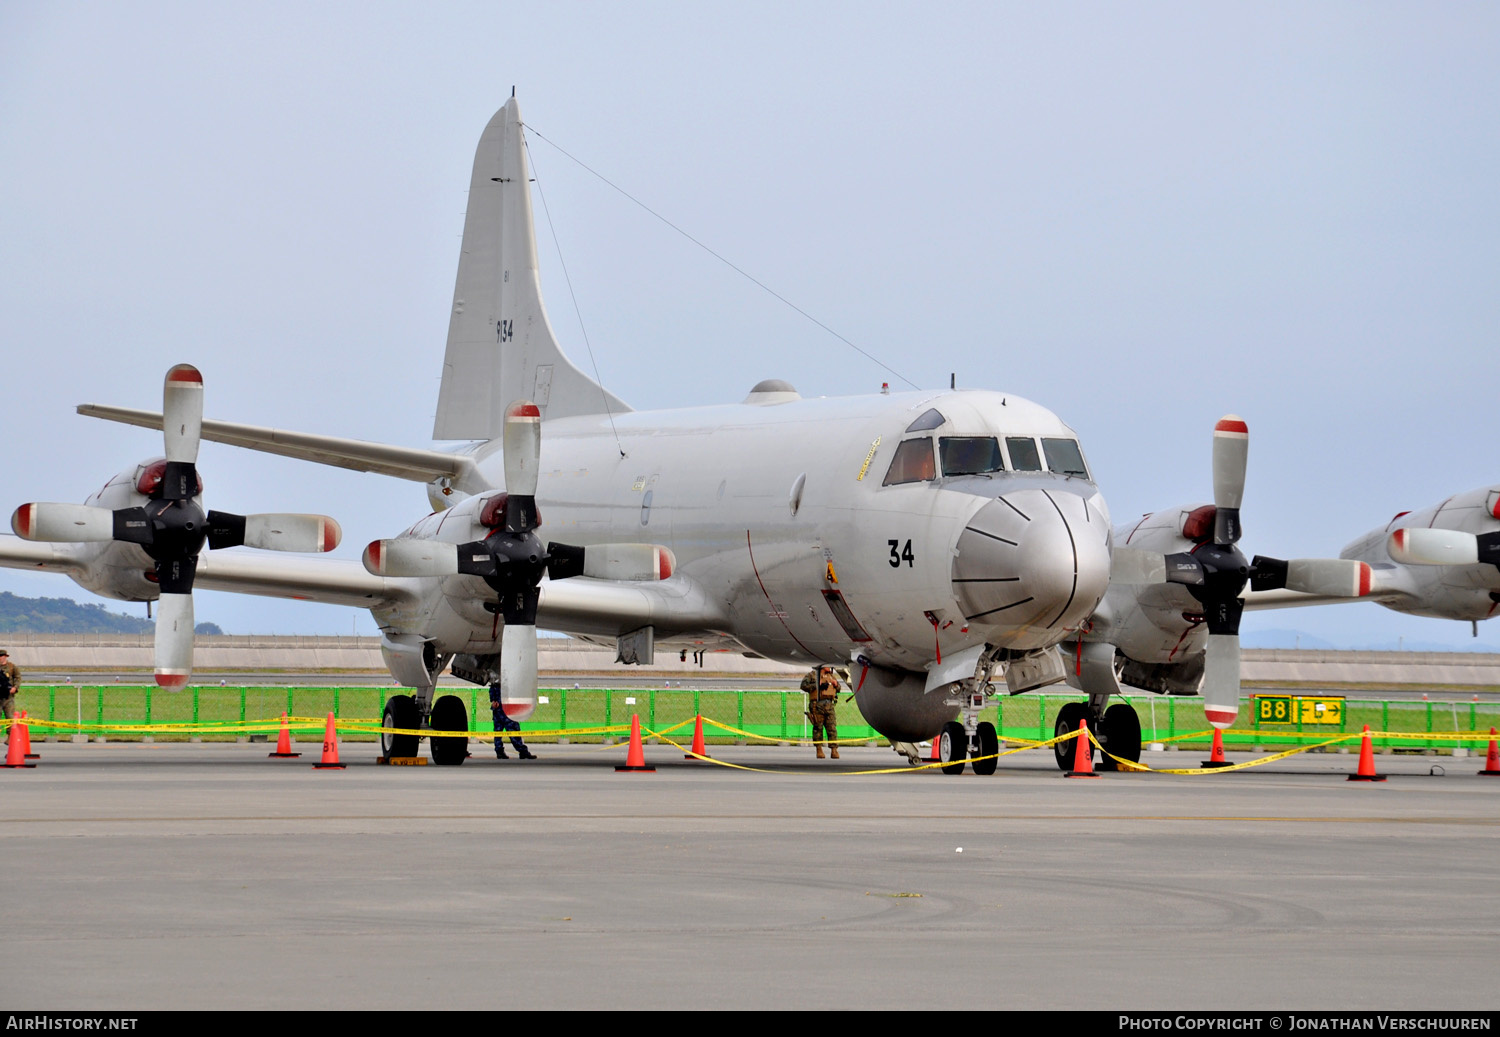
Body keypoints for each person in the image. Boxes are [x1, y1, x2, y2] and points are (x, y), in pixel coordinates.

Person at [801, 664, 841, 759]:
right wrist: (816, 685)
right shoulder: (812, 675)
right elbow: (803, 686)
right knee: (818, 728)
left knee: (832, 728)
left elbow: (838, 689)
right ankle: (819, 749)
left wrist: (836, 685)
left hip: (829, 705)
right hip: (817, 705)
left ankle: (834, 749)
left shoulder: (831, 676)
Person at [489, 682, 537, 760]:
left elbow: (493, 697)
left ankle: (500, 752)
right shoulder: (507, 685)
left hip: (499, 711)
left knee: (498, 733)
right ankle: (522, 751)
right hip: (506, 712)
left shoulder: (495, 685)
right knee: (513, 732)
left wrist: (494, 701)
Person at [0, 650, 19, 723]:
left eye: (1, 656)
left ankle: (11, 734)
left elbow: (18, 677)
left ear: (5, 657)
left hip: (8, 697)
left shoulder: (11, 666)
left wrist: (15, 687)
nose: (0, 658)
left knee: (10, 718)